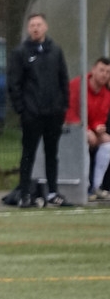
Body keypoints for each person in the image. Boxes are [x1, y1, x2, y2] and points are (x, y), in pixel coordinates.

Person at [8, 12, 70, 207]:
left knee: (52, 154)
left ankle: (53, 192)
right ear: (28, 29)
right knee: (28, 154)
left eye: (39, 25)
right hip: (32, 114)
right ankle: (25, 193)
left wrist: (63, 106)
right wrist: (22, 109)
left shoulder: (55, 51)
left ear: (45, 27)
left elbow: (63, 79)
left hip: (53, 113)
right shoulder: (21, 53)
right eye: (32, 25)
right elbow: (14, 84)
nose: (36, 28)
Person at [65, 56, 110, 199]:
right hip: (69, 129)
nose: (104, 75)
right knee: (83, 142)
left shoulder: (106, 94)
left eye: (108, 72)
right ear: (93, 70)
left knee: (108, 143)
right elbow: (70, 113)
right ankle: (83, 187)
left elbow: (100, 116)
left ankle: (96, 186)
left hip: (89, 130)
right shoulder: (78, 85)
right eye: (101, 70)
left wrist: (98, 128)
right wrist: (86, 130)